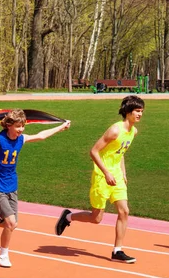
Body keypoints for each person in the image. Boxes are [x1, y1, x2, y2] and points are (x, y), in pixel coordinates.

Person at [0, 109, 70, 268]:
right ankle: (3, 255)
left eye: (23, 126)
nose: (21, 129)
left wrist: (61, 127)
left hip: (12, 184)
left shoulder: (21, 139)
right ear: (9, 125)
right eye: (18, 126)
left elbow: (41, 135)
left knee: (9, 223)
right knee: (10, 223)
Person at [55, 95, 145, 263]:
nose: (140, 114)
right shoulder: (115, 130)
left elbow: (119, 153)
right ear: (127, 112)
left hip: (116, 175)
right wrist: (106, 173)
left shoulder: (133, 131)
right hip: (102, 176)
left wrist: (122, 173)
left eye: (141, 111)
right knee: (96, 218)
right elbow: (94, 152)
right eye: (137, 111)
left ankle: (117, 251)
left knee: (124, 211)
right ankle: (68, 217)